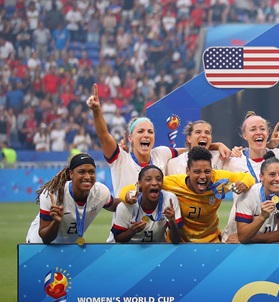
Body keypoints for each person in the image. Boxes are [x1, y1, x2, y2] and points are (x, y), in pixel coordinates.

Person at [121, 147, 254, 243]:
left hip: (211, 242)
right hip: (180, 244)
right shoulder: (172, 183)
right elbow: (130, 188)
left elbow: (247, 177)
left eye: (207, 171)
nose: (203, 176)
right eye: (197, 172)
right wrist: (127, 196)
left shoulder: (220, 179)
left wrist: (244, 184)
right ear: (187, 171)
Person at [87, 83, 178, 195]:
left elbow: (187, 151)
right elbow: (104, 136)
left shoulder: (161, 153)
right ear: (130, 138)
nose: (146, 135)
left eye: (150, 132)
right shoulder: (120, 159)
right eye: (140, 131)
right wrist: (97, 111)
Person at [27, 153, 120, 244]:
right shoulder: (52, 194)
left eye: (91, 172)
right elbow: (46, 239)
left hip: (69, 248)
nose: (87, 177)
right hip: (39, 246)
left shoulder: (101, 192)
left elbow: (115, 205)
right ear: (71, 174)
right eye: (81, 172)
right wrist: (56, 222)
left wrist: (130, 198)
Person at [235, 153, 279, 243]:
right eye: (272, 174)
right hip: (241, 248)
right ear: (261, 177)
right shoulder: (248, 195)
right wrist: (262, 217)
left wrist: (250, 238)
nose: (277, 179)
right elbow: (243, 235)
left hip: (268, 245)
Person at [111, 165, 183, 243]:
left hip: (158, 251)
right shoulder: (126, 206)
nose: (154, 183)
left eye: (159, 179)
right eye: (148, 180)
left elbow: (176, 240)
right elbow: (117, 239)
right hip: (131, 251)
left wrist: (172, 221)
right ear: (139, 184)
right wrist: (132, 231)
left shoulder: (170, 200)